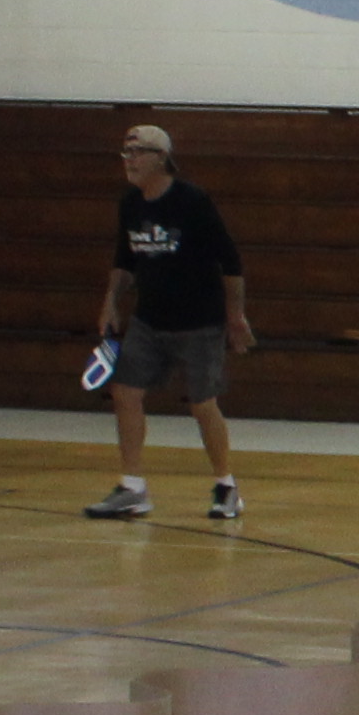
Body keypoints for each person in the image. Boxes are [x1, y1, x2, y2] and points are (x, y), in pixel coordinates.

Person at [88, 121, 253, 523]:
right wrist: (110, 302)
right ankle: (132, 488)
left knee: (202, 405)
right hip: (149, 320)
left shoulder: (192, 201)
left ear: (161, 158)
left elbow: (230, 262)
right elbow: (124, 260)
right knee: (125, 393)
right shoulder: (130, 204)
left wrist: (235, 316)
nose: (129, 160)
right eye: (126, 153)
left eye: (137, 153)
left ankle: (226, 486)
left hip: (199, 322)